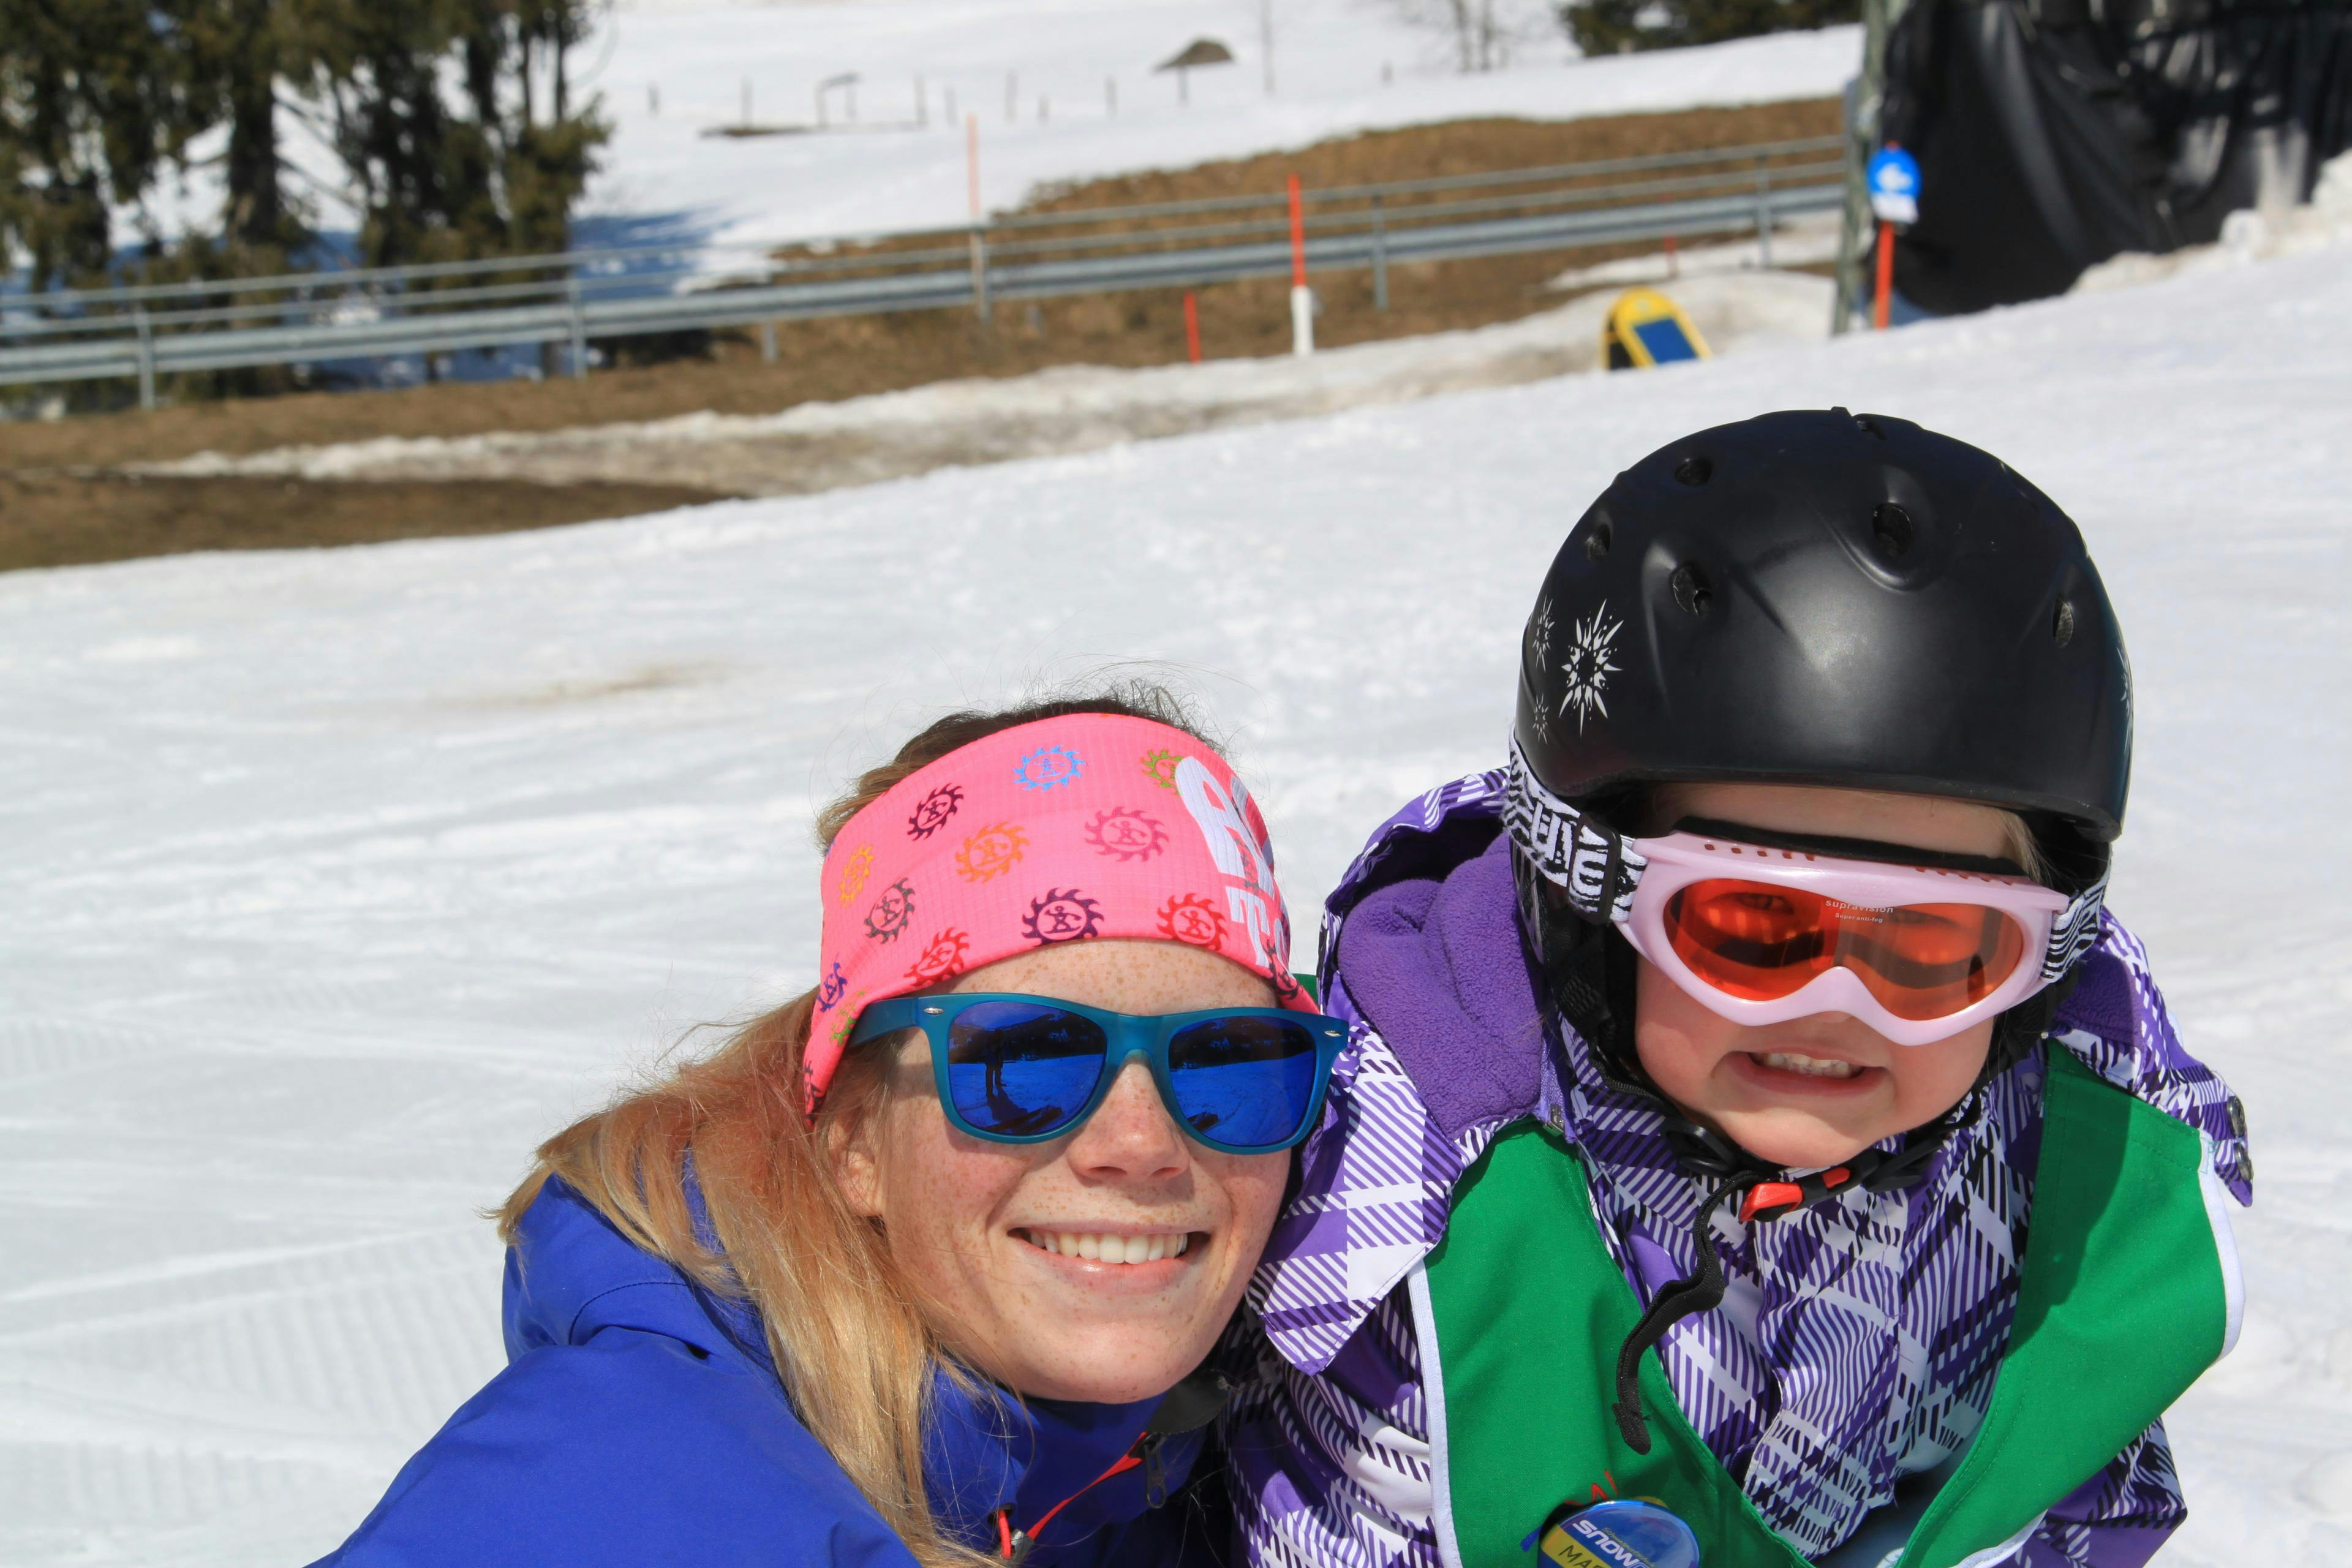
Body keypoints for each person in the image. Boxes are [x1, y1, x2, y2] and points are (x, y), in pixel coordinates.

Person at [1226, 412, 2252, 1568]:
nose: (1838, 1006)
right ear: (1586, 895)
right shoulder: (1417, 1229)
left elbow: (2068, 1496)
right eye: (1752, 928)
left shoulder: (2061, 1158)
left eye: (1936, 948)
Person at [314, 692, 1350, 1568]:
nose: (1143, 1141)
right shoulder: (620, 1488)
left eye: (1229, 1061)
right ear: (854, 1141)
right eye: (1026, 1058)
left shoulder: (1168, 1463)